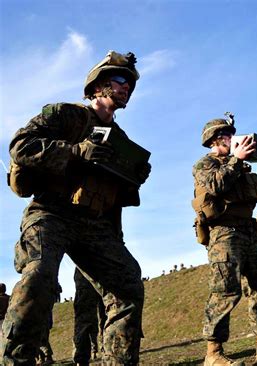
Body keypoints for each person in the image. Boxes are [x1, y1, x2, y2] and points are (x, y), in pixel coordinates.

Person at [1, 50, 150, 365]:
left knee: (127, 285)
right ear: (97, 86)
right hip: (50, 212)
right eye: (120, 80)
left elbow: (111, 196)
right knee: (39, 277)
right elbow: (20, 146)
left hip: (95, 224)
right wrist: (75, 152)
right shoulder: (66, 115)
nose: (126, 87)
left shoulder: (120, 140)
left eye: (131, 85)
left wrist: (132, 178)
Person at [192, 115, 257, 365]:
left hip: (248, 231)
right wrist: (235, 161)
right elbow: (216, 186)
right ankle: (213, 353)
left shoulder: (240, 166)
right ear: (215, 140)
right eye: (227, 136)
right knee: (225, 291)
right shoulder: (204, 164)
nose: (234, 140)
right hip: (223, 233)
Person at [73, 268, 107, 365]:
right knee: (85, 318)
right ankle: (82, 359)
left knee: (109, 314)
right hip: (86, 270)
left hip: (107, 269)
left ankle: (109, 351)